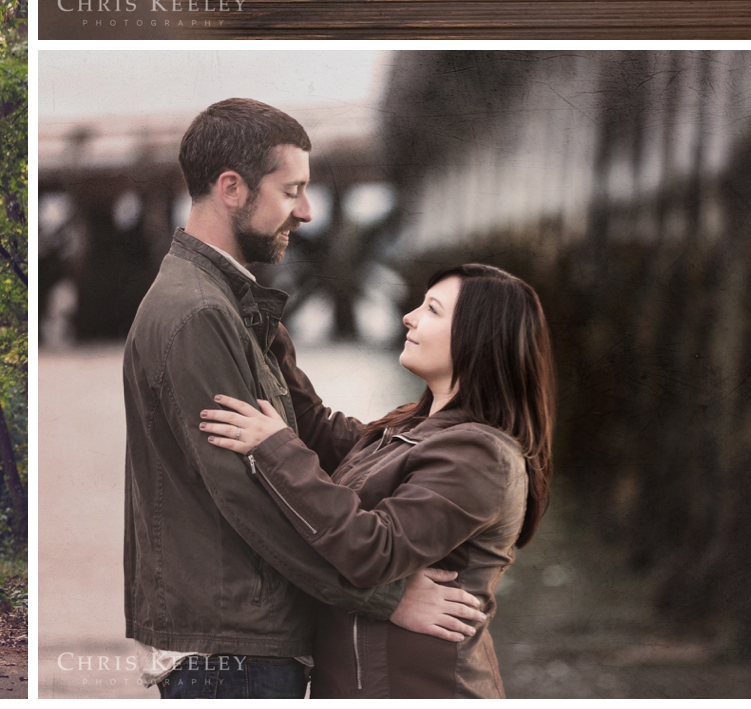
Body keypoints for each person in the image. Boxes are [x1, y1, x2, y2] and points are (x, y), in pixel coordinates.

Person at [124, 98, 491, 698]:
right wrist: (389, 597)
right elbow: (247, 496)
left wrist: (441, 443)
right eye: (292, 191)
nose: (309, 211)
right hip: (232, 648)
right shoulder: (198, 314)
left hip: (243, 634)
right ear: (232, 188)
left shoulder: (227, 301)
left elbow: (308, 428)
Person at [199, 263, 556, 697]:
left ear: (477, 337)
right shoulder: (411, 428)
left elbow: (374, 550)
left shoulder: (480, 456)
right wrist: (262, 322)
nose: (409, 317)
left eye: (432, 310)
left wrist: (274, 448)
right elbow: (315, 429)